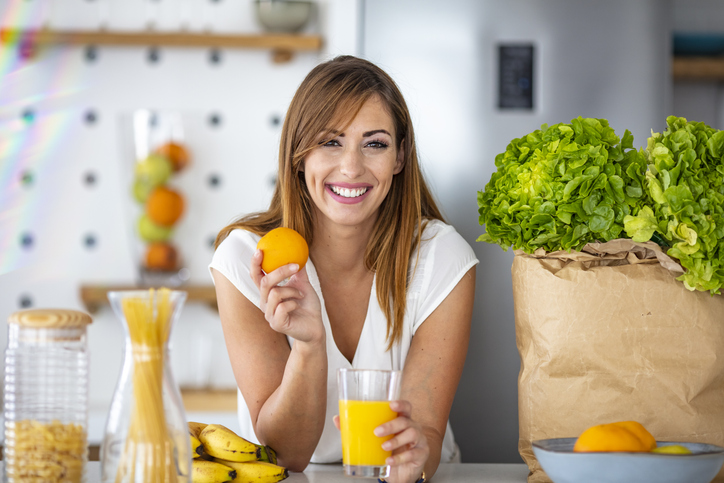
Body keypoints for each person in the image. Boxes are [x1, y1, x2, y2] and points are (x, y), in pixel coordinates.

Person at [209, 55, 478, 483]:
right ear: (299, 155)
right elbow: (287, 456)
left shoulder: (441, 258)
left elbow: (424, 431)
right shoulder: (245, 258)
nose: (351, 167)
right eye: (330, 142)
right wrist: (310, 346)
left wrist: (413, 460)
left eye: (375, 143)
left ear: (400, 156)